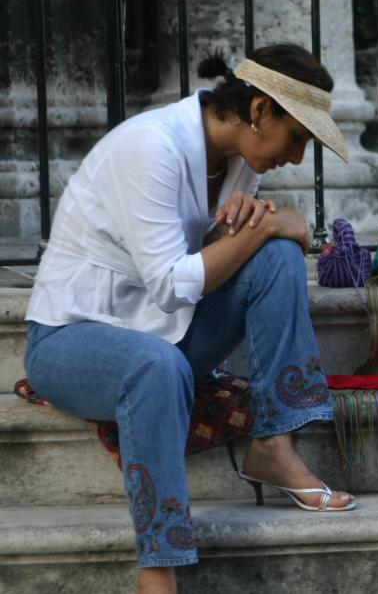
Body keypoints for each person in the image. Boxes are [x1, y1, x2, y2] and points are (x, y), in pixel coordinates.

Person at [23, 44, 355, 594]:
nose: (297, 157)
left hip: (164, 334)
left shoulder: (242, 162)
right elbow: (173, 283)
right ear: (260, 111)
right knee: (158, 365)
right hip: (71, 342)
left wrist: (250, 234)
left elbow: (211, 257)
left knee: (272, 259)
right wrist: (267, 227)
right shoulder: (150, 147)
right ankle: (158, 569)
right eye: (297, 136)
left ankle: (273, 443)